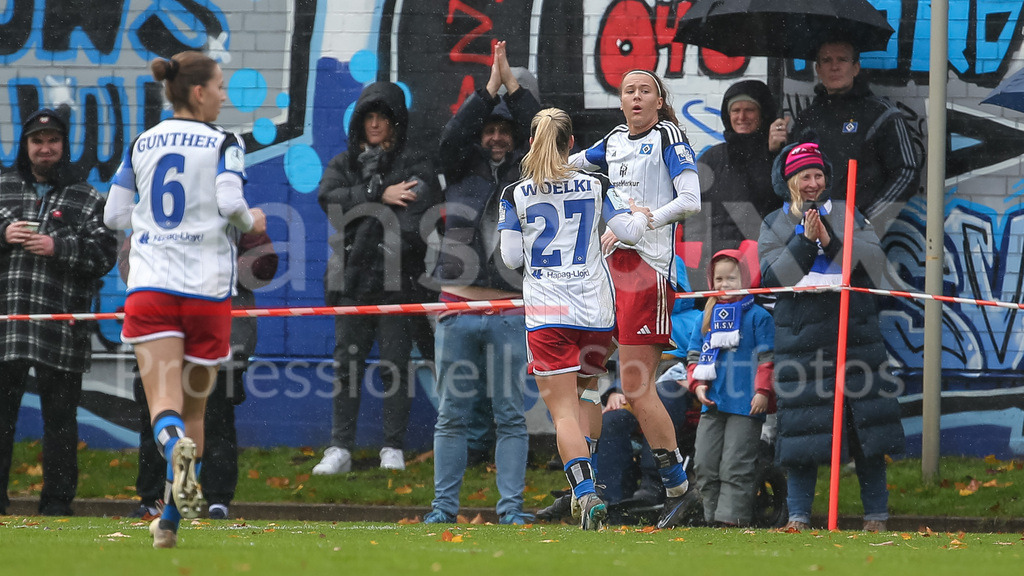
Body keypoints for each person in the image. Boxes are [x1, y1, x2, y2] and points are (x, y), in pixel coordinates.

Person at [104, 51, 267, 548]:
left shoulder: (142, 142)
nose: (223, 95)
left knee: (164, 408)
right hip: (207, 293)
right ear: (198, 92)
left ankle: (170, 460)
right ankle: (169, 526)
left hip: (152, 288)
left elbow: (114, 215)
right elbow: (231, 204)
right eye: (219, 86)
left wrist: (153, 230)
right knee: (196, 412)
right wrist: (251, 223)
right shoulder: (225, 143)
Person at [498, 107, 651, 529]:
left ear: (531, 143)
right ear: (571, 145)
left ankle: (583, 494)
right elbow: (632, 232)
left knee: (563, 412)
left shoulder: (515, 193)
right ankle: (592, 479)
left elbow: (511, 258)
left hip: (549, 313)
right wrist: (638, 213)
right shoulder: (597, 183)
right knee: (588, 394)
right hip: (595, 312)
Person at [569, 69, 701, 529]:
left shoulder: (668, 138)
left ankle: (680, 488)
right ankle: (586, 490)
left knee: (637, 389)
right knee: (583, 375)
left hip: (647, 276)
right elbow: (573, 164)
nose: (637, 97)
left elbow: (691, 200)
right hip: (607, 273)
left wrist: (645, 221)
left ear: (660, 100)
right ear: (621, 102)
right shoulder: (612, 141)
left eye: (646, 90)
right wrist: (542, 161)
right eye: (629, 91)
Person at [758, 141, 905, 532]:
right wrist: (804, 241)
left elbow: (871, 265)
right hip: (801, 340)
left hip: (854, 336)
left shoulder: (848, 213)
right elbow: (775, 279)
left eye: (818, 174)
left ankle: (876, 517)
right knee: (802, 437)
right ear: (789, 180)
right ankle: (799, 517)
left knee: (866, 434)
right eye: (804, 175)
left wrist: (828, 239)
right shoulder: (774, 222)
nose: (812, 182)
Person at [424, 41, 540, 525]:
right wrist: (488, 89)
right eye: (488, 130)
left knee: (510, 416)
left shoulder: (532, 171)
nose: (495, 137)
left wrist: (512, 86)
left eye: (503, 131)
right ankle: (442, 509)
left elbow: (544, 134)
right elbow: (451, 137)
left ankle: (511, 510)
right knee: (451, 416)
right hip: (458, 307)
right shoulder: (460, 166)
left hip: (511, 310)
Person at [315, 80, 440, 474]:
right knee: (346, 366)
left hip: (397, 283)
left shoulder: (416, 163)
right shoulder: (344, 163)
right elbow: (330, 202)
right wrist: (377, 193)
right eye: (368, 117)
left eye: (381, 117)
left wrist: (363, 213)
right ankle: (339, 448)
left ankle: (393, 448)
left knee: (395, 366)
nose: (374, 124)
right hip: (350, 285)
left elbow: (409, 223)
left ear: (395, 122)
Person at [0, 107, 118, 517]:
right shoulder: (3, 188)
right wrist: (3, 234)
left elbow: (105, 256)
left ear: (64, 147)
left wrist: (57, 247)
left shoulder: (87, 196)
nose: (45, 148)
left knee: (61, 424)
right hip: (8, 327)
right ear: (26, 146)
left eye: (53, 141)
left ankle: (57, 503)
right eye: (37, 141)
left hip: (62, 328)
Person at [128, 231, 278, 520]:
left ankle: (210, 498)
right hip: (209, 318)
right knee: (195, 416)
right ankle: (160, 501)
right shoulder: (227, 200)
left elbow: (262, 270)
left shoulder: (149, 205)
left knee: (179, 413)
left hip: (164, 322)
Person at [789, 40, 921, 232]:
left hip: (858, 240)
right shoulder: (807, 119)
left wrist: (866, 221)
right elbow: (790, 175)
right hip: (810, 236)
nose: (834, 67)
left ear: (856, 68)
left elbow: (907, 171)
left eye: (842, 60)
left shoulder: (881, 114)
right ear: (818, 69)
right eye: (827, 60)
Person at [686, 249, 775, 527]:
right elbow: (693, 356)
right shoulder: (707, 315)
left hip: (746, 406)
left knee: (735, 465)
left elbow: (768, 358)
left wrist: (762, 391)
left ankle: (731, 521)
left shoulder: (759, 317)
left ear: (745, 278)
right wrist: (697, 385)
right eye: (719, 279)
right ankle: (712, 518)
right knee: (705, 463)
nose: (724, 285)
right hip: (712, 403)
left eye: (731, 278)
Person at [691, 80, 785, 289]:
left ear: (763, 115)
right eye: (735, 110)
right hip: (717, 267)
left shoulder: (777, 156)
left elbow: (782, 202)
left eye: (750, 110)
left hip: (761, 263)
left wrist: (774, 154)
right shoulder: (712, 158)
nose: (741, 117)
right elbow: (693, 214)